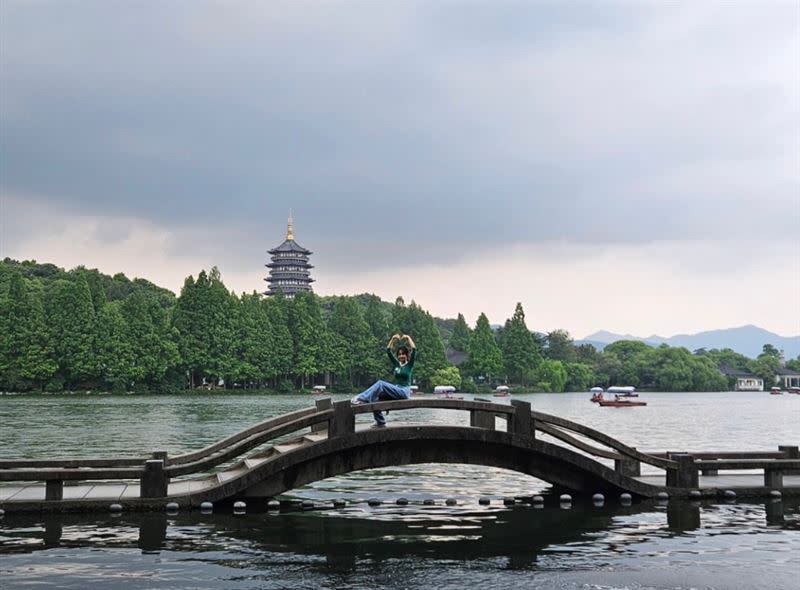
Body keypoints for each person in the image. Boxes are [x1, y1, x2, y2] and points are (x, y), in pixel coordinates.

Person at [352, 333, 417, 427]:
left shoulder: (409, 365)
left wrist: (408, 338)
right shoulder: (397, 365)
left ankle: (360, 398)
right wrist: (393, 340)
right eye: (399, 354)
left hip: (404, 391)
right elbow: (388, 351)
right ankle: (380, 422)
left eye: (403, 354)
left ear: (407, 355)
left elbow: (414, 349)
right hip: (396, 389)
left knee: (380, 384)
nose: (401, 356)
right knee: (375, 396)